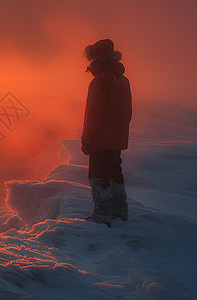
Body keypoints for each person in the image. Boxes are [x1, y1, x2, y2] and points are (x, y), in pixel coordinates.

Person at [81, 39, 132, 227]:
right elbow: (128, 112)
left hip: (100, 140)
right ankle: (120, 211)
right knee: (114, 174)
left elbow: (93, 114)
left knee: (97, 175)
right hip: (116, 139)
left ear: (95, 59)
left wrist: (87, 140)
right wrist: (118, 134)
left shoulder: (99, 81)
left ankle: (101, 213)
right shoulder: (124, 81)